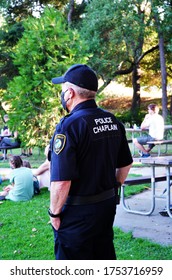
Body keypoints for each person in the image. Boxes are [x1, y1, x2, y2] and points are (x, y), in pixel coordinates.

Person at [49, 64, 133, 260]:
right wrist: (114, 187)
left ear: (69, 93)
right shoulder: (112, 120)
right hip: (105, 207)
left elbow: (61, 181)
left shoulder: (68, 126)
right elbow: (126, 164)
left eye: (63, 91)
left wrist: (54, 214)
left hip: (77, 214)